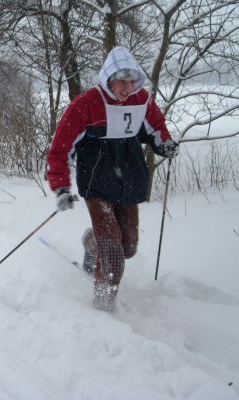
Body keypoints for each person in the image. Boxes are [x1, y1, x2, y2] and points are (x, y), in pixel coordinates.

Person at [47, 46, 179, 312]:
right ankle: (103, 307)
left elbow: (156, 128)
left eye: (131, 81)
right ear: (108, 79)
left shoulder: (141, 100)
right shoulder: (87, 103)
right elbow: (61, 147)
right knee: (113, 254)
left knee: (127, 247)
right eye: (121, 81)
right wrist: (61, 187)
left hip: (128, 182)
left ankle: (90, 242)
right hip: (97, 184)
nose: (127, 88)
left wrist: (165, 144)